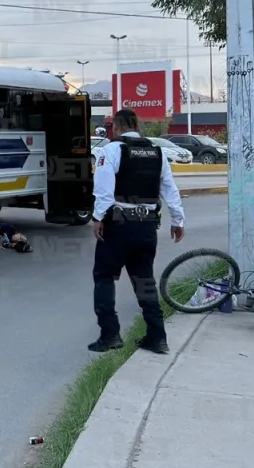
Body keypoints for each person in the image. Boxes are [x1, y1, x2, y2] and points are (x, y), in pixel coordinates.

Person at [87, 109, 185, 355]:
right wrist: (178, 219)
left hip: (119, 226)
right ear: (137, 126)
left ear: (117, 127)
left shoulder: (111, 150)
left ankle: (110, 335)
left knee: (104, 276)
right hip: (147, 227)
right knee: (144, 280)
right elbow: (169, 188)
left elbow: (103, 189)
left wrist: (98, 218)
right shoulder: (156, 152)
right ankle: (157, 336)